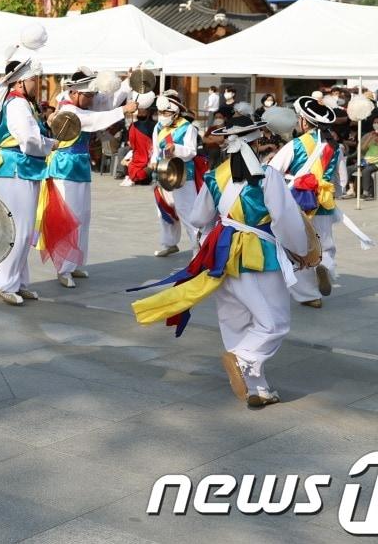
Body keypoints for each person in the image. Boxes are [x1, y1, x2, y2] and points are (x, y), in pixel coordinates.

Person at [131, 116, 311, 408]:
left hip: (223, 255)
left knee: (235, 322)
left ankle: (257, 388)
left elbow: (199, 218)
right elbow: (286, 219)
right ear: (257, 138)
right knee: (274, 323)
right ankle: (243, 360)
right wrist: (299, 251)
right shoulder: (267, 175)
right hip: (259, 254)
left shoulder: (215, 176)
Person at [0, 48, 55, 306]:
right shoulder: (18, 104)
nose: (38, 84)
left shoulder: (20, 102)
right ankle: (4, 282)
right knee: (18, 229)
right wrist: (51, 144)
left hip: (21, 169)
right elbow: (29, 140)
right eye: (35, 80)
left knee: (24, 229)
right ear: (21, 80)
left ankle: (18, 281)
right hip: (14, 169)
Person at [46, 69, 136, 287]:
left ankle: (74, 262)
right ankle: (63, 267)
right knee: (69, 216)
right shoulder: (68, 109)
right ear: (75, 92)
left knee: (83, 216)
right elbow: (94, 119)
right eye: (89, 95)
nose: (93, 99)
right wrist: (123, 110)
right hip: (64, 167)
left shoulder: (81, 103)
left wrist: (129, 82)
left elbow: (106, 103)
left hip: (80, 164)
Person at [267, 97, 353, 308]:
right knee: (326, 243)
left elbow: (273, 172)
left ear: (305, 122)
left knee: (300, 247)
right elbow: (340, 180)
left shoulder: (295, 145)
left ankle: (309, 296)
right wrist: (333, 194)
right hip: (323, 202)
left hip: (297, 203)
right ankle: (326, 265)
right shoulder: (336, 147)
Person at [150, 92, 205, 257]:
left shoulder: (188, 128)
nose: (162, 116)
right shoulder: (158, 127)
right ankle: (170, 243)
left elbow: (191, 152)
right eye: (160, 113)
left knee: (186, 211)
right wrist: (153, 160)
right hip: (162, 172)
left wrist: (176, 149)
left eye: (166, 113)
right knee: (164, 210)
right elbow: (156, 149)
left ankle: (198, 248)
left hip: (182, 175)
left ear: (176, 113)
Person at [122, 100, 155, 186]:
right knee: (127, 159)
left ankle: (133, 177)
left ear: (148, 112)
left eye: (142, 111)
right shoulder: (133, 125)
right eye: (139, 111)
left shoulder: (153, 125)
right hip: (137, 153)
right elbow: (131, 141)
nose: (140, 113)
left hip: (148, 153)